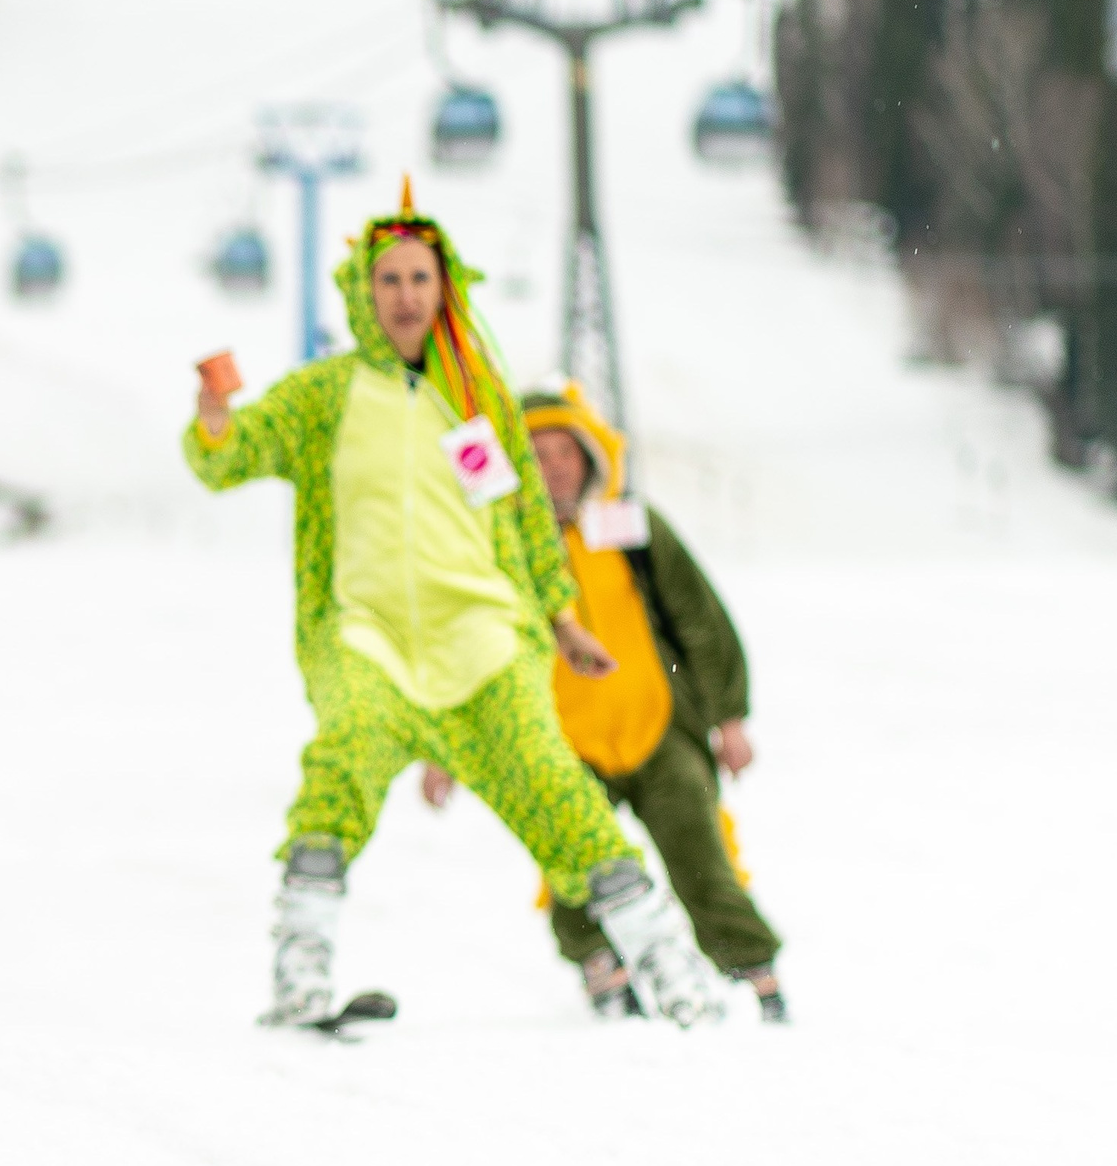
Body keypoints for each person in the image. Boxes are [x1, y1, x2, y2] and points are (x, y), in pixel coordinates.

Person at [182, 179, 721, 1028]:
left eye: (419, 280)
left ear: (446, 291)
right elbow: (233, 457)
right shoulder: (324, 397)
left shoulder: (476, 401)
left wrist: (565, 619)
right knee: (342, 762)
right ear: (364, 290)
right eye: (389, 279)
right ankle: (302, 965)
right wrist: (217, 418)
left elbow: (525, 527)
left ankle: (668, 965)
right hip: (368, 636)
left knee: (555, 789)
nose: (404, 296)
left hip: (483, 639)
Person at [422, 385, 785, 1021]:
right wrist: (442, 746)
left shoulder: (630, 526)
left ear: (592, 456)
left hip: (657, 725)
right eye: (535, 452)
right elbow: (462, 645)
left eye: (566, 450)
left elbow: (699, 619)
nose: (554, 464)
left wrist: (729, 717)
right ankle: (600, 965)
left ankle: (753, 971)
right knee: (573, 864)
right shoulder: (497, 547)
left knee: (702, 856)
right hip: (559, 740)